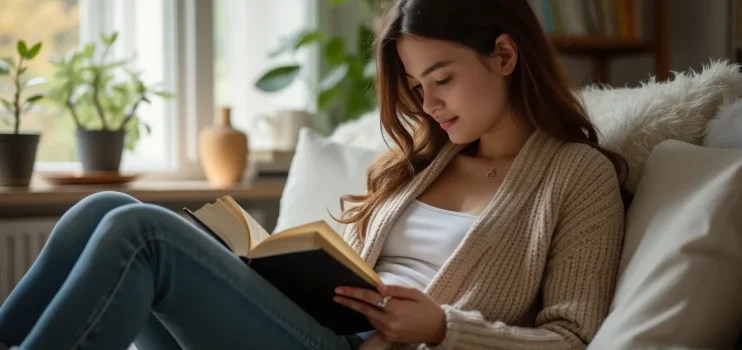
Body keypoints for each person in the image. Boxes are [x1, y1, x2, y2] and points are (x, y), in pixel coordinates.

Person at [0, 0, 629, 349]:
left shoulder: (577, 177)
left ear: (505, 55)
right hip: (318, 326)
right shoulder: (423, 160)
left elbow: (570, 339)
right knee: (97, 210)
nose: (429, 102)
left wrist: (442, 327)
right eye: (416, 86)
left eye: (442, 79)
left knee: (141, 231)